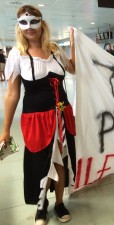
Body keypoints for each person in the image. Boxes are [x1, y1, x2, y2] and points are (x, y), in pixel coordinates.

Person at [0, 5, 76, 225]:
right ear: (18, 27)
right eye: (23, 23)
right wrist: (5, 129)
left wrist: (73, 43)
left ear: (42, 23)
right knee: (40, 163)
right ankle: (41, 206)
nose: (29, 27)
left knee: (61, 163)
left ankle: (60, 203)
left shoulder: (54, 50)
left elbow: (73, 69)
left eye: (33, 21)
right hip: (36, 119)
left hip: (62, 115)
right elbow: (12, 95)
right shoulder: (17, 54)